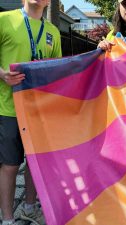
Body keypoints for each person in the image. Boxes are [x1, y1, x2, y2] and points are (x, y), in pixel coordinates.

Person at [0, 0, 62, 224]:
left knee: (36, 162)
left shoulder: (53, 31)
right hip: (8, 108)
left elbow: (56, 71)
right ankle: (7, 219)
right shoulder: (4, 20)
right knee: (10, 164)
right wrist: (2, 74)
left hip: (39, 110)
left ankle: (28, 206)